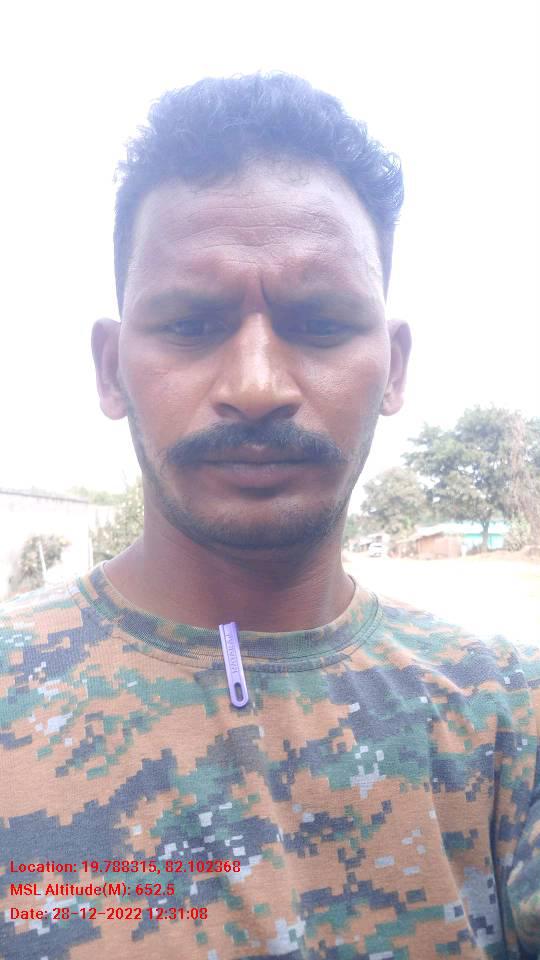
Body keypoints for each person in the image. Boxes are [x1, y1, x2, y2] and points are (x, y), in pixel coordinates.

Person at [0, 72, 538, 960]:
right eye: (190, 324)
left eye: (320, 323)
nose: (256, 387)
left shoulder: (509, 718)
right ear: (110, 368)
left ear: (395, 367)